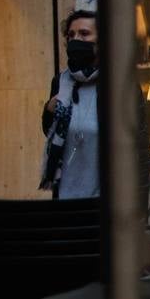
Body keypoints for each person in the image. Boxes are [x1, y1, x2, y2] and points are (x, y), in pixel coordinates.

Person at [40, 10, 101, 199]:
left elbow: (139, 149)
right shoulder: (60, 82)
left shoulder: (120, 84)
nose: (76, 40)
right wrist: (49, 110)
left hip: (106, 201)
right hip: (66, 195)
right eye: (71, 35)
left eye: (84, 34)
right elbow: (50, 130)